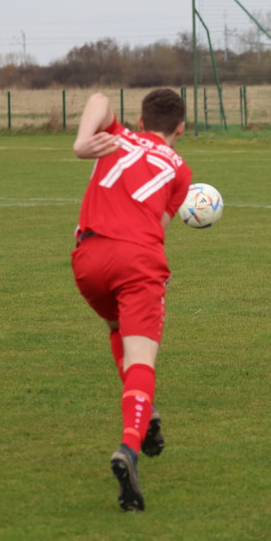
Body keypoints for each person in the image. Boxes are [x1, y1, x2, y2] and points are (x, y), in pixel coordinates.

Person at [70, 88, 191, 512]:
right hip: (137, 260)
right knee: (142, 359)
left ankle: (149, 412)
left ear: (140, 122)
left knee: (117, 329)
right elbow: (156, 224)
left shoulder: (117, 137)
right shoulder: (181, 170)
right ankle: (128, 449)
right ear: (181, 128)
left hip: (87, 257)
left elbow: (100, 97)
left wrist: (83, 140)